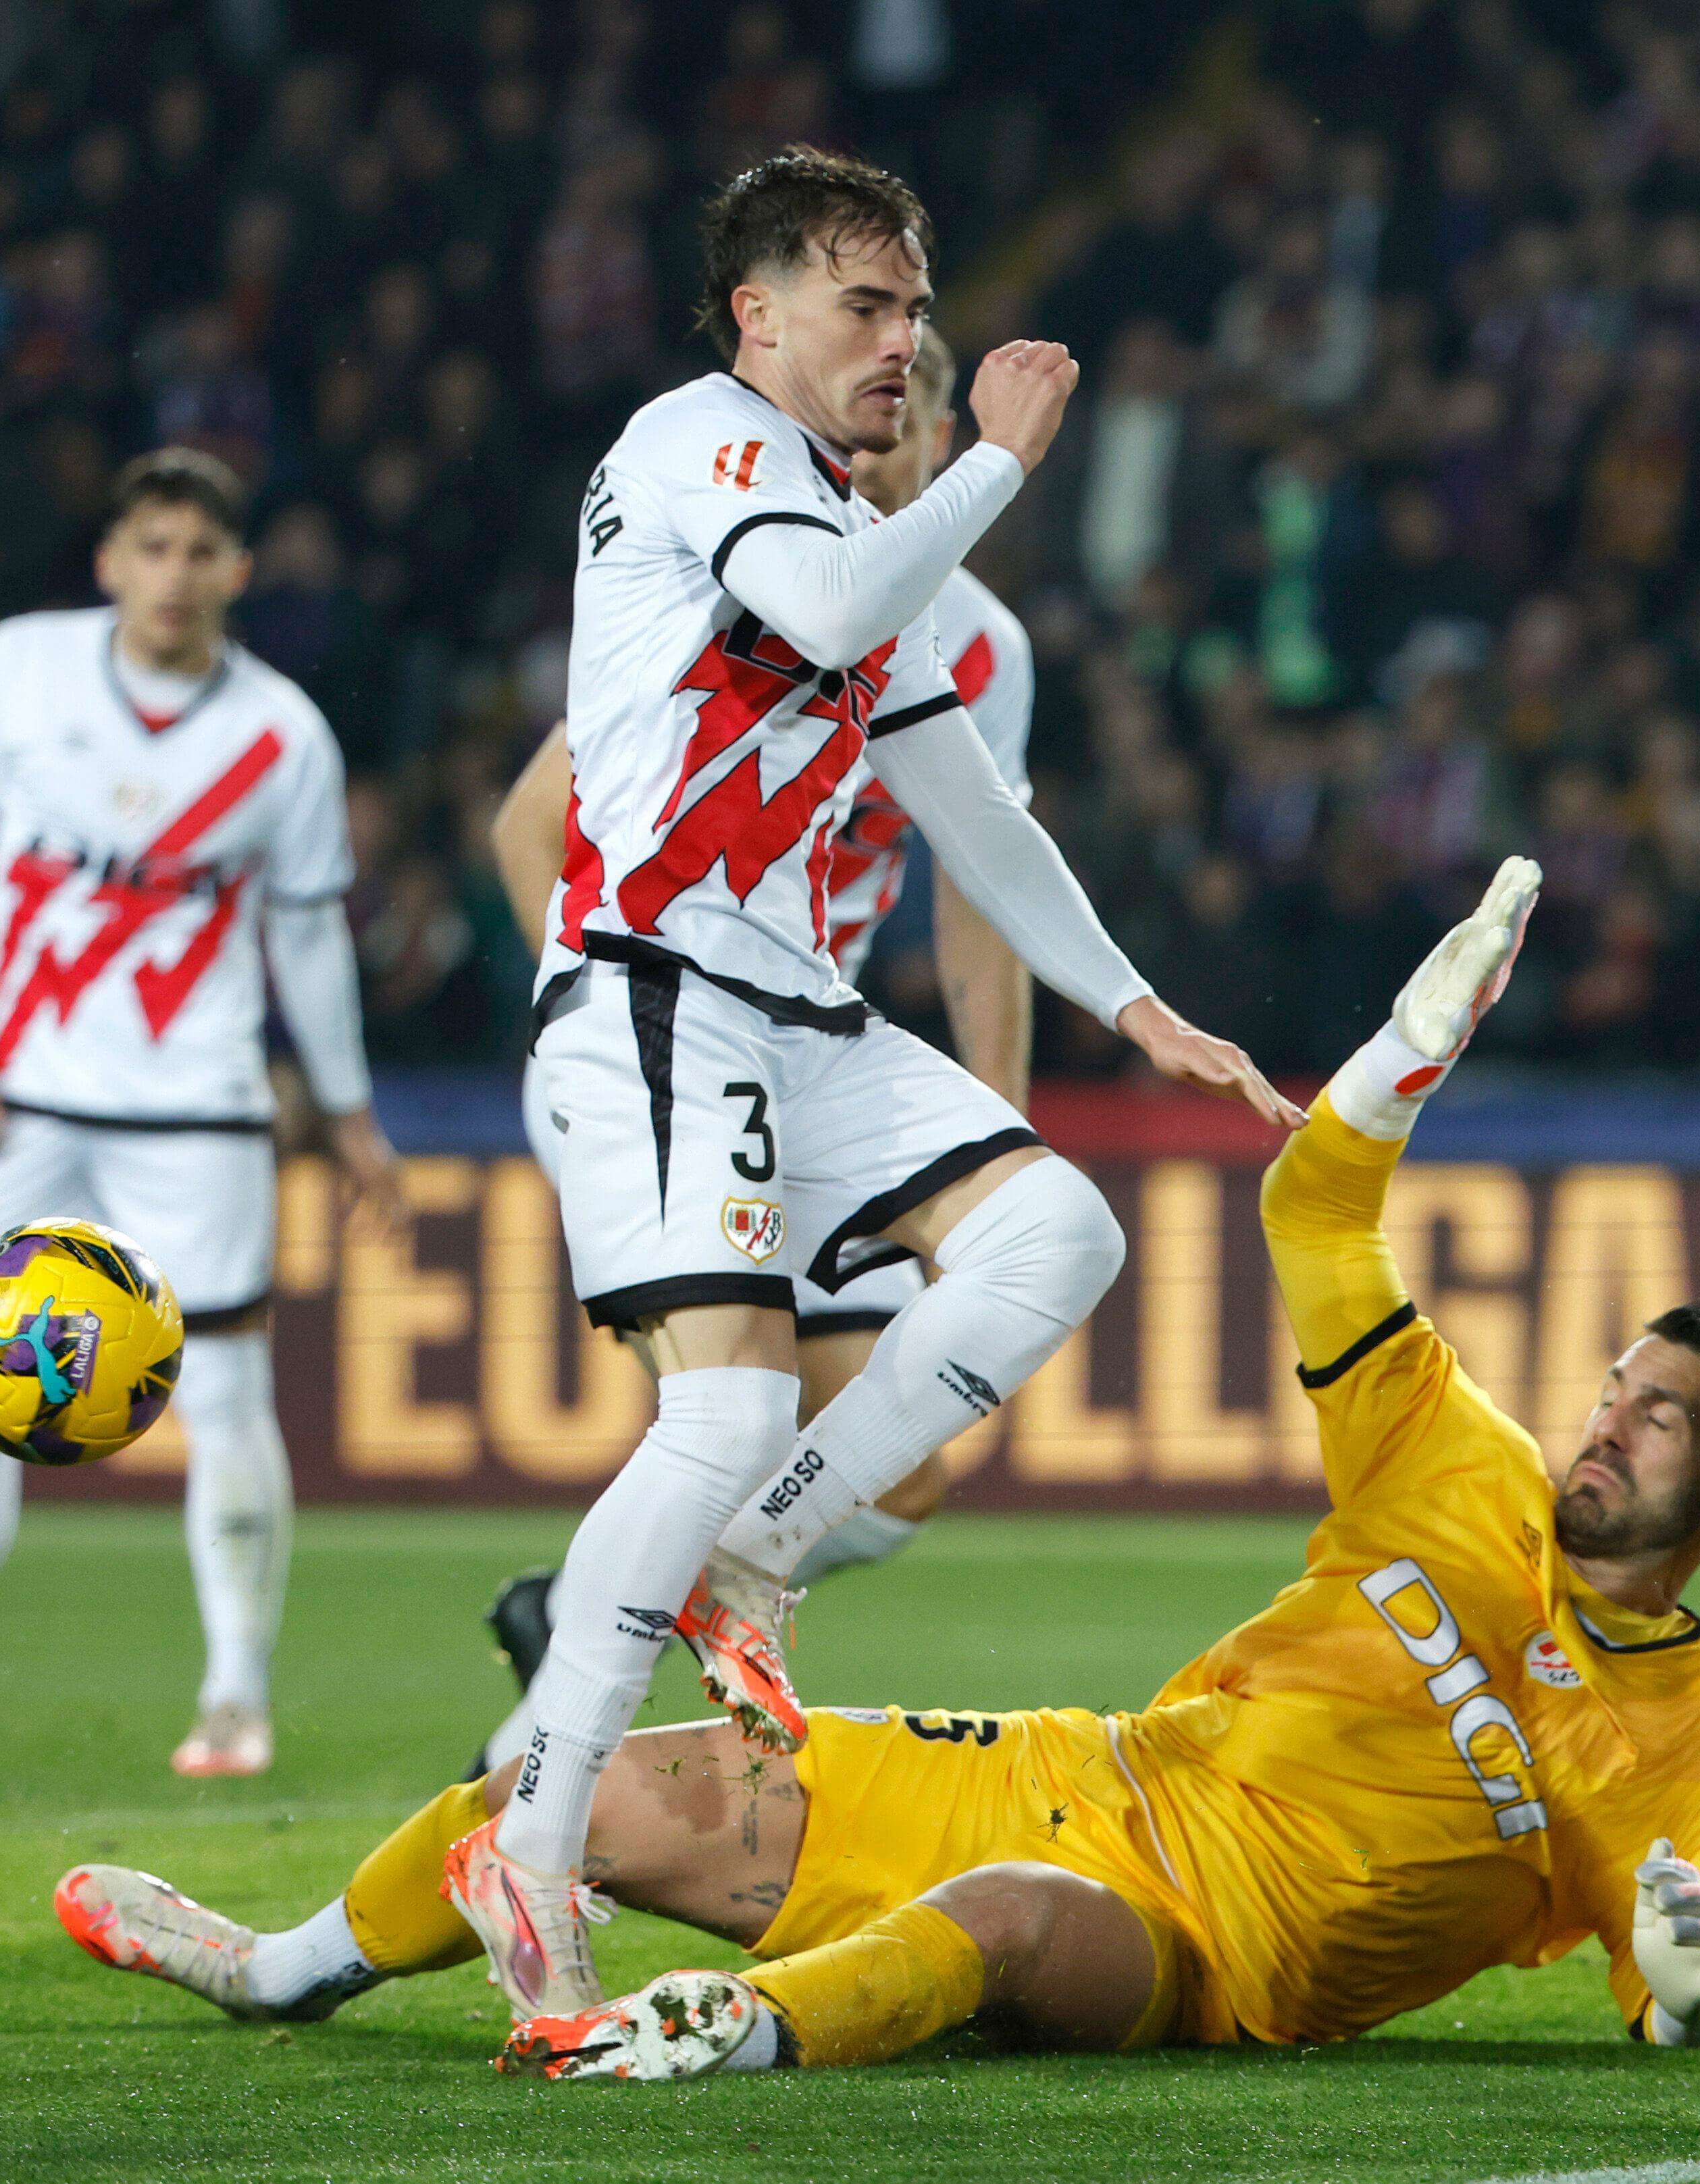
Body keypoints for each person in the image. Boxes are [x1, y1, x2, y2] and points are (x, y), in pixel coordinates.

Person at [51, 861, 1700, 2082]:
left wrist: (1694, 1996)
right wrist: (1406, 1053)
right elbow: (1312, 1206)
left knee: (1011, 1924)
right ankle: (278, 1972)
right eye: (1614, 1391)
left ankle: (742, 2029)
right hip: (1089, 1768)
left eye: (1660, 1419)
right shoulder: (1450, 1457)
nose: (1603, 1426)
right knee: (578, 1801)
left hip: (1217, 1958)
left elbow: (1684, 1993)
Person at [465, 147, 1296, 2029]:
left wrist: (1134, 1002)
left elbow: (964, 804)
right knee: (726, 1396)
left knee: (1057, 1228)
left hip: (790, 1003)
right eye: (866, 304)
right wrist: (1001, 460)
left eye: (915, 308)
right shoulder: (696, 446)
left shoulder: (851, 521)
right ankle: (526, 1847)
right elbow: (832, 621)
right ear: (757, 315)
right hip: (650, 979)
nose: (905, 343)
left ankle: (766, 1547)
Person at [0, 448, 402, 1782]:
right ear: (112, 561)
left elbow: (309, 944)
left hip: (197, 1111)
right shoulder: (21, 673)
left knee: (222, 1391)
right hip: (25, 1095)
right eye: (150, 546)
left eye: (198, 552)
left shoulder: (282, 736)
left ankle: (233, 1699)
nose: (172, 575)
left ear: (236, 571)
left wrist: (347, 1114)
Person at [459, 326, 1035, 1779]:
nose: (892, 447)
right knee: (732, 1422)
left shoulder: (980, 645)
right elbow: (532, 826)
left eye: (920, 424)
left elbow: (983, 909)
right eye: (877, 416)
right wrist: (613, 1006)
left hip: (816, 1074)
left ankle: (587, 1630)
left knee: (898, 1478)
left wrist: (995, 1138)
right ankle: (524, 1785)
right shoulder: (740, 568)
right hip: (662, 1042)